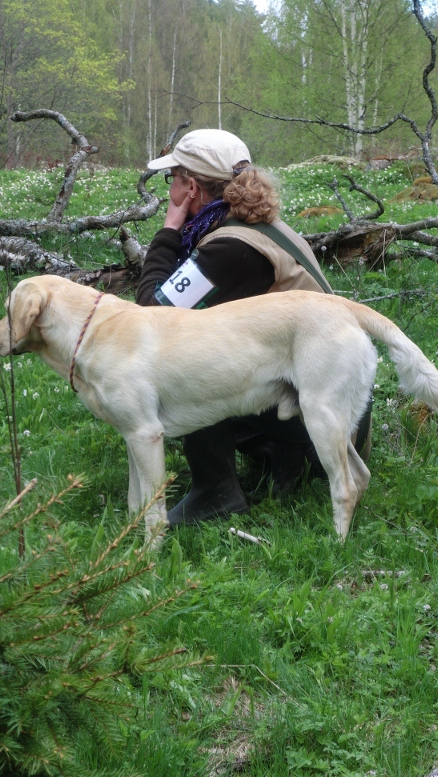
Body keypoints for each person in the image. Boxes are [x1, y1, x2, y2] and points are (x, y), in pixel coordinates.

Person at [136, 129, 372, 524]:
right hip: (330, 410)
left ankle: (215, 493)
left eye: (172, 178)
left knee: (187, 360)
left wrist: (169, 231)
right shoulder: (255, 226)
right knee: (218, 338)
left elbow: (149, 316)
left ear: (191, 188)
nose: (170, 190)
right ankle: (281, 457)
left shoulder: (231, 248)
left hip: (324, 424)